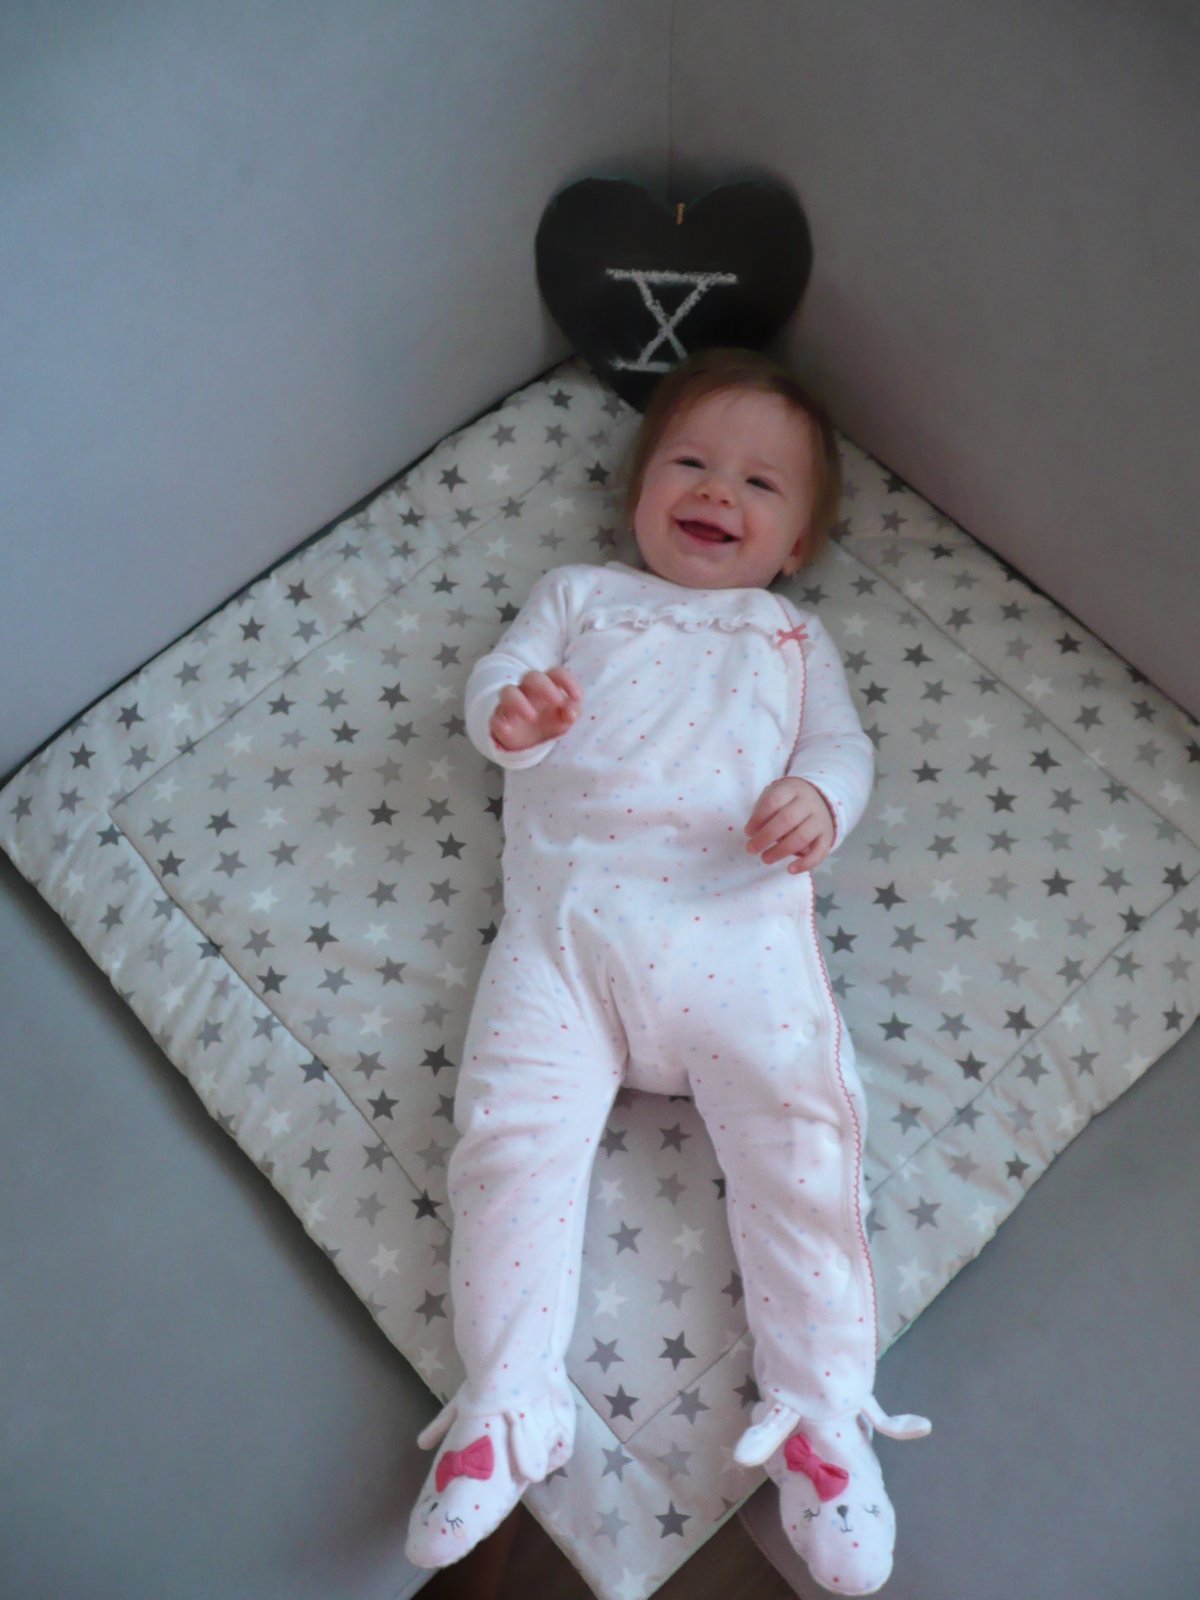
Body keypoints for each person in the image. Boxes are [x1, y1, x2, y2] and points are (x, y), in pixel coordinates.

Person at [405, 348, 929, 1594]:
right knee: (507, 1143)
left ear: (797, 543)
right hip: (567, 932)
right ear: (638, 491)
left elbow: (845, 747)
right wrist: (510, 718)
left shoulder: (789, 633)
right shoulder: (579, 595)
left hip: (734, 931)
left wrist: (820, 799)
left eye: (760, 482)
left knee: (802, 1145)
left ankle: (820, 1417)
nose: (716, 491)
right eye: (689, 462)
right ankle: (507, 1403)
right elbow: (497, 679)